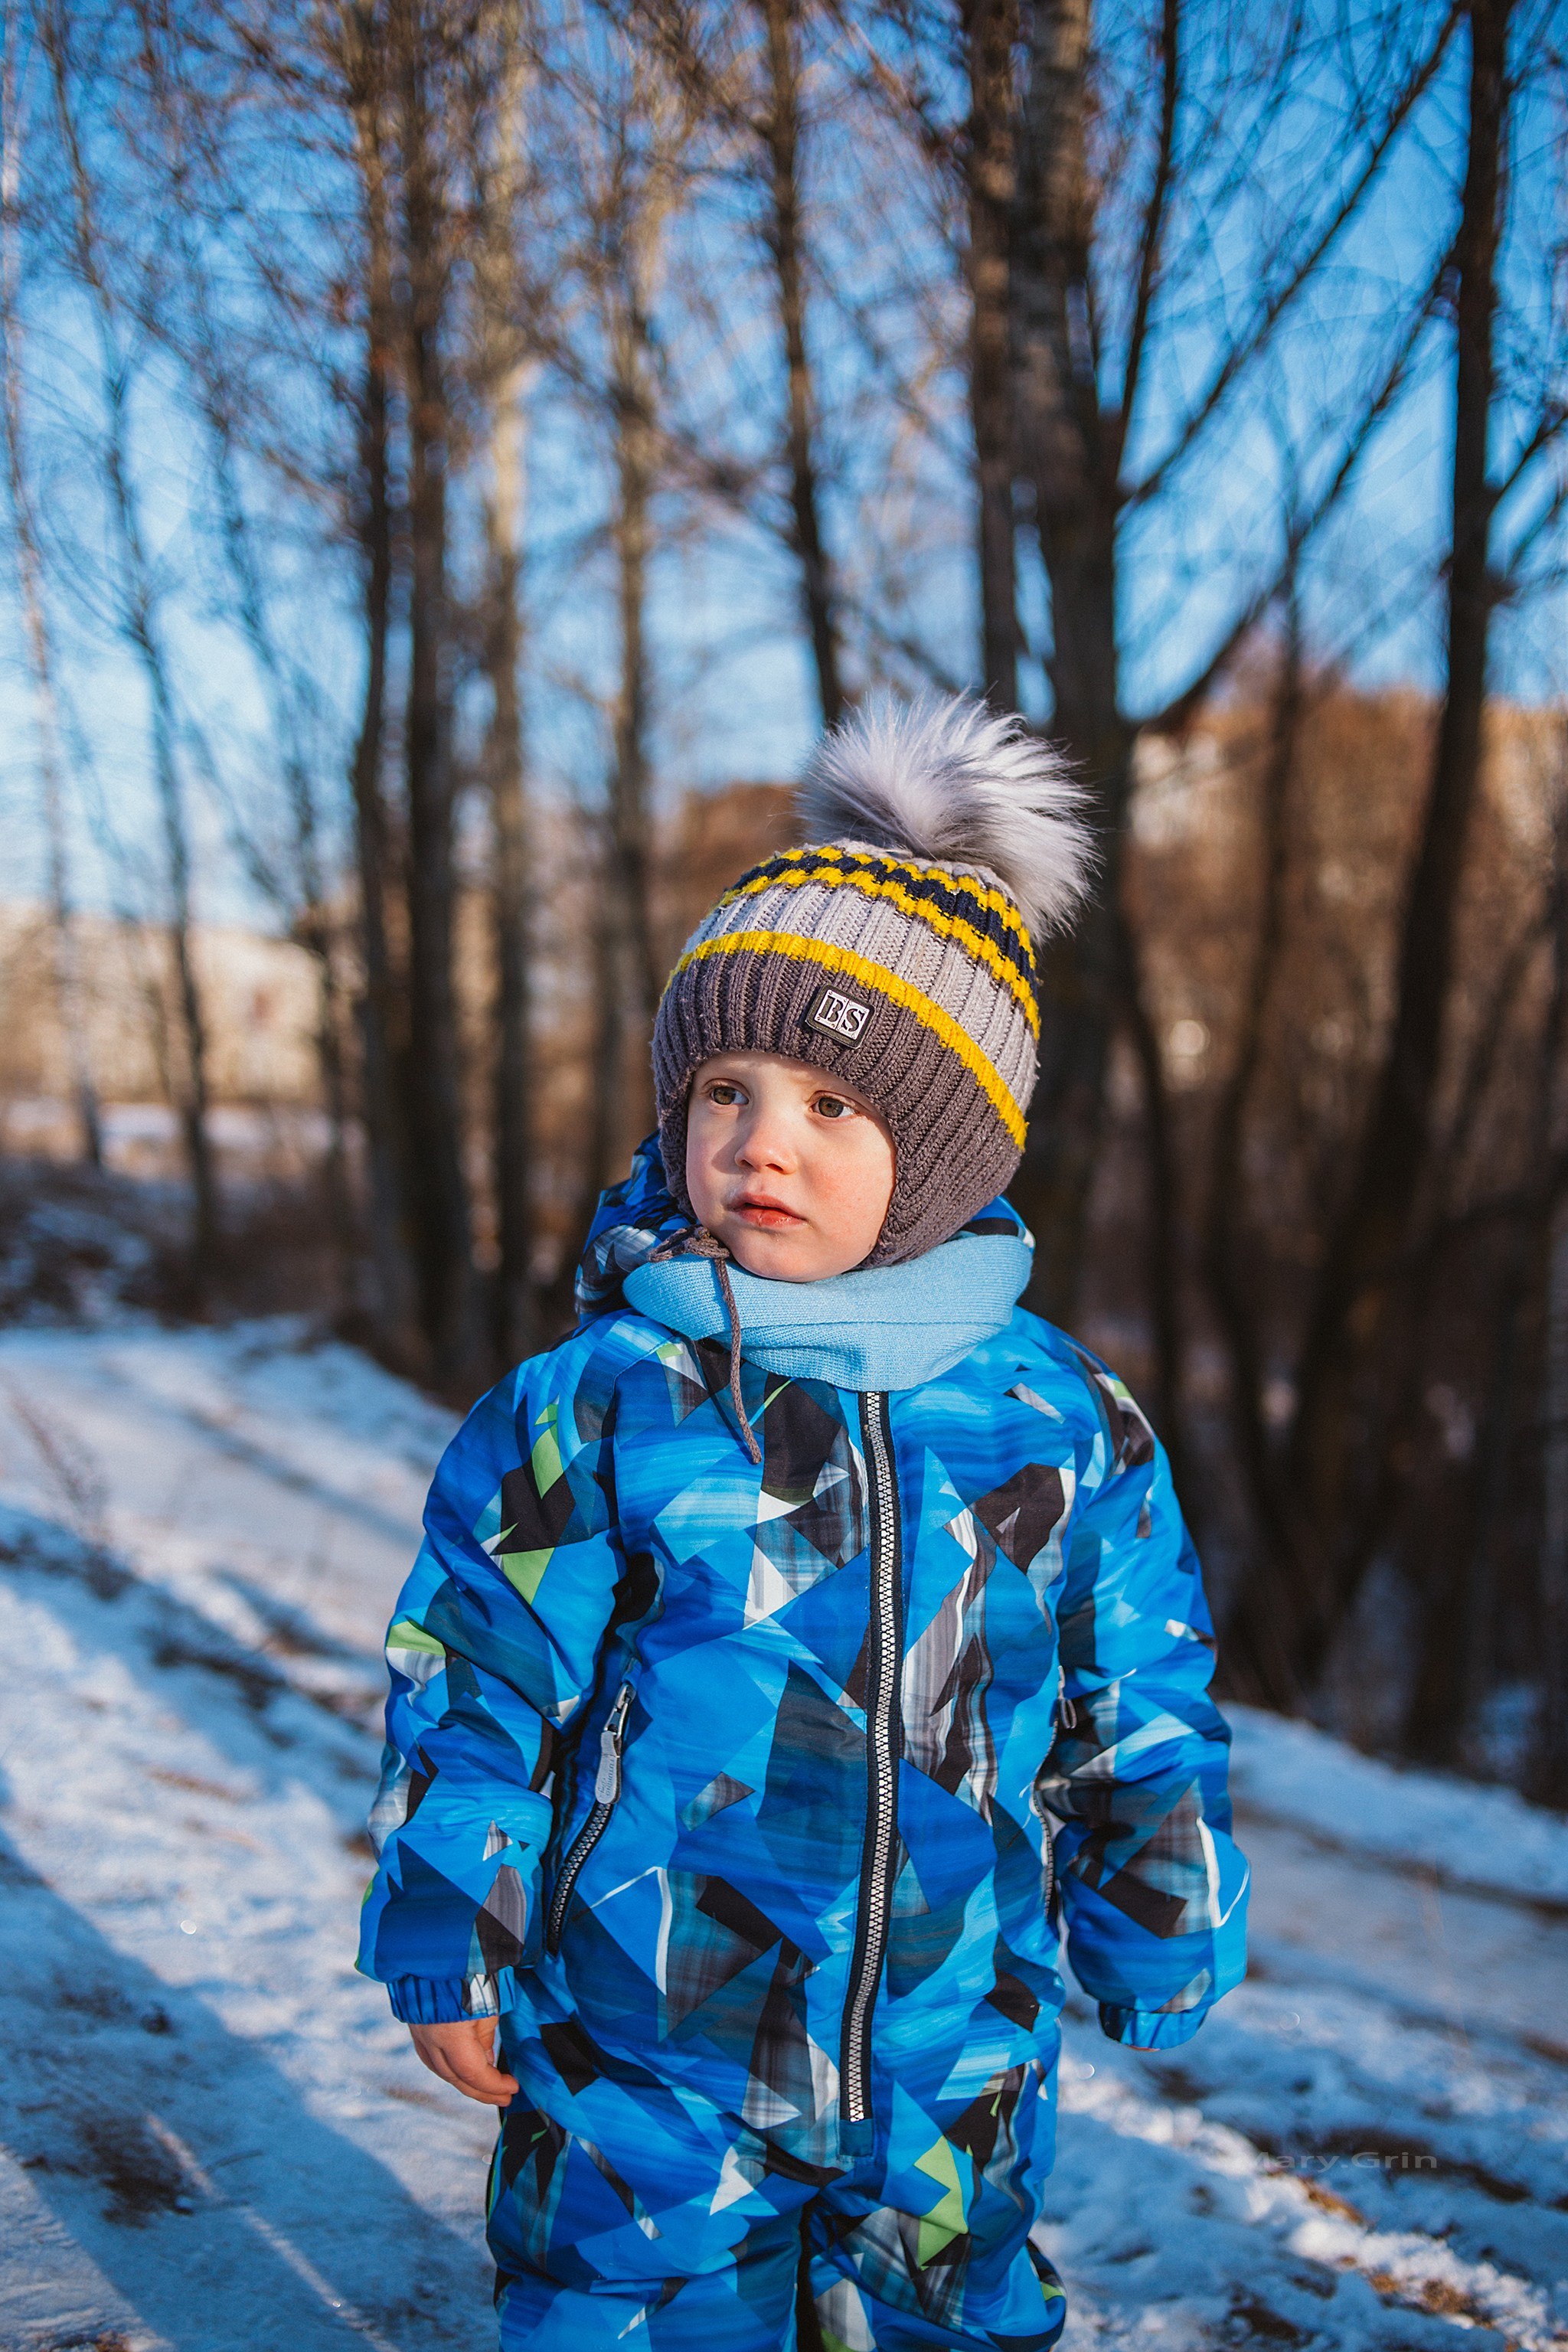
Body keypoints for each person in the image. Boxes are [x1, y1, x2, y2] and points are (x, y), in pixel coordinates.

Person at [356, 693, 1250, 2351]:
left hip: (948, 2049)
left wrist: (1156, 1892)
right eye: (725, 1092)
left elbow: (1137, 1700)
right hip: (644, 2049)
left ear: (942, 1154)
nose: (762, 1141)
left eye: (835, 1109)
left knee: (946, 2321)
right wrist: (448, 1917)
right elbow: (476, 1680)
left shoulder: (1055, 1418)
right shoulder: (603, 1400)